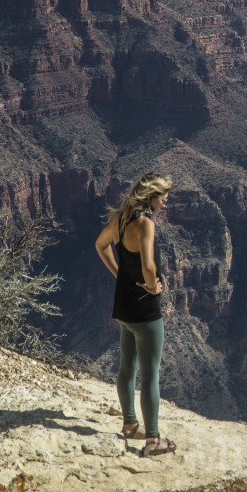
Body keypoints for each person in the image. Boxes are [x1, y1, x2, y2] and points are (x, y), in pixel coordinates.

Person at [94, 172, 177, 457]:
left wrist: (119, 274)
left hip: (123, 307)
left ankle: (130, 423)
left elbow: (100, 245)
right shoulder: (145, 223)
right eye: (163, 199)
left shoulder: (120, 220)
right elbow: (149, 265)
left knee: (127, 366)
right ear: (152, 196)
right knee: (151, 376)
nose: (164, 204)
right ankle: (153, 441)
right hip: (145, 309)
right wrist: (154, 287)